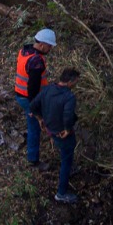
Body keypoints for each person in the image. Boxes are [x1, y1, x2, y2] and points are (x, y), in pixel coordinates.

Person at [30, 68, 81, 204]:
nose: (76, 83)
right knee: (66, 159)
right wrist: (67, 129)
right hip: (61, 133)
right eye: (76, 81)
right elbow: (68, 116)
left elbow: (33, 105)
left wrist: (40, 118)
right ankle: (61, 193)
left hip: (51, 130)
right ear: (70, 82)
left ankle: (69, 169)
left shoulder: (48, 89)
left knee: (65, 155)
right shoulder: (69, 97)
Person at [12, 28, 55, 167]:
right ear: (42, 45)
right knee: (35, 126)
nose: (50, 49)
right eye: (49, 46)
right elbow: (33, 87)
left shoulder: (25, 51)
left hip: (20, 94)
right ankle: (33, 159)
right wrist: (34, 108)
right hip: (28, 98)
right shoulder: (36, 62)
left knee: (33, 124)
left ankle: (34, 155)